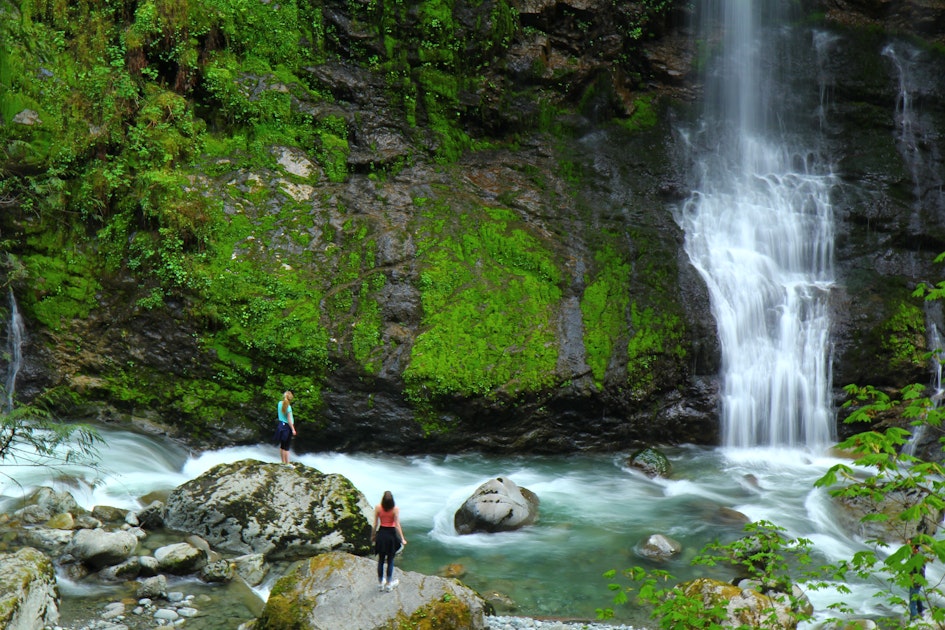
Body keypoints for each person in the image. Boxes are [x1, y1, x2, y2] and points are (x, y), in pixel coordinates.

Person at [371, 490, 407, 592]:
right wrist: (402, 538)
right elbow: (397, 525)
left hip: (381, 534)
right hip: (391, 536)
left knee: (381, 560)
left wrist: (373, 536)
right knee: (390, 560)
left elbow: (375, 524)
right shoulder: (395, 509)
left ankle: (380, 583)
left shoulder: (378, 507)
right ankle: (389, 583)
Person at [276, 390, 296, 463]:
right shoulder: (289, 408)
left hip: (281, 425)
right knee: (286, 447)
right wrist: (293, 429)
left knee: (282, 445)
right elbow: (289, 420)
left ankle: (283, 462)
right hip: (287, 427)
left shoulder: (279, 403)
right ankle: (287, 463)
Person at [909, 537, 926, 621]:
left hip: (916, 580)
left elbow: (922, 570)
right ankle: (920, 610)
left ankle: (914, 619)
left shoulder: (918, 556)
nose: (907, 545)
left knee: (912, 601)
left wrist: (918, 581)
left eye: (909, 544)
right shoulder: (912, 554)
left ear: (914, 546)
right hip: (912, 579)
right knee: (916, 596)